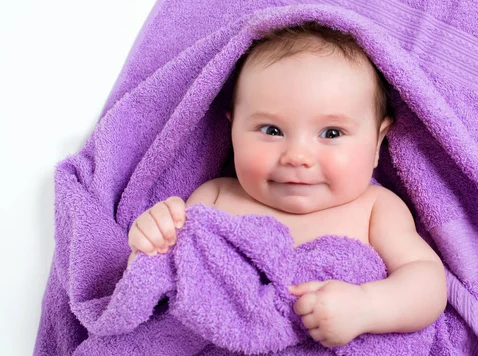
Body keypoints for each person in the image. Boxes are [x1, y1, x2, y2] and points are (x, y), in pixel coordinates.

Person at [127, 21, 447, 347]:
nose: (297, 156)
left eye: (331, 133)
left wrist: (365, 306)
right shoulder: (216, 196)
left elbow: (427, 283)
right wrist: (150, 240)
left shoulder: (375, 207)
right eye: (271, 130)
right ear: (233, 130)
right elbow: (163, 283)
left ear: (377, 143)